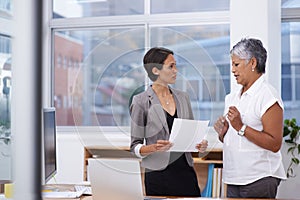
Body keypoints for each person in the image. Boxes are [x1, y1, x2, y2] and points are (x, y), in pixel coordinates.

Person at [130, 47, 208, 197]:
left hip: (186, 173)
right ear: (155, 70)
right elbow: (134, 147)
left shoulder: (183, 97)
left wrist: (200, 145)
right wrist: (153, 147)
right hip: (158, 176)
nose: (176, 70)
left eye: (175, 65)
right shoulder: (140, 101)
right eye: (171, 66)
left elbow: (191, 137)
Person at [213, 38, 286, 198]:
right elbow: (233, 139)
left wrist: (241, 127)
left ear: (253, 63)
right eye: (232, 64)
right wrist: (223, 132)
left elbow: (274, 144)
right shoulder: (232, 97)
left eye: (236, 65)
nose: (232, 70)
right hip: (233, 178)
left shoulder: (268, 96)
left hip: (259, 178)